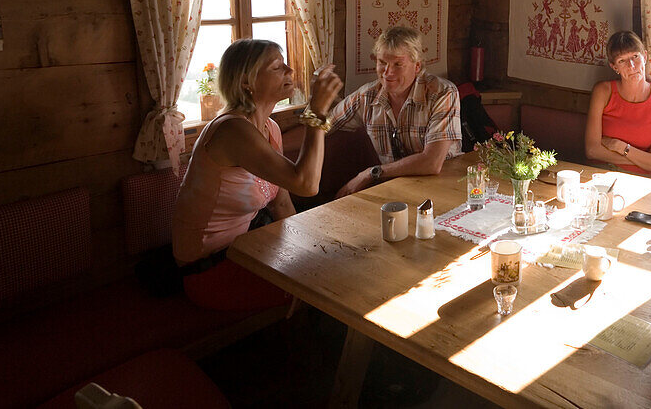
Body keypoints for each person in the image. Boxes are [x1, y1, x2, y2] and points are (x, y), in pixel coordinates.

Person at [172, 39, 342, 310]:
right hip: (209, 269)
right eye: (277, 66)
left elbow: (282, 203)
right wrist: (317, 111)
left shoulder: (269, 128)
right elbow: (307, 184)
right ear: (245, 83)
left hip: (247, 249)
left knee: (331, 262)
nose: (289, 70)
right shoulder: (232, 131)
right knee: (326, 288)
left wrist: (307, 250)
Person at [328, 26, 462, 197]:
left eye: (398, 64)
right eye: (382, 63)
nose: (388, 72)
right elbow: (323, 124)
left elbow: (432, 162)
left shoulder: (442, 92)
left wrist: (370, 174)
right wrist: (281, 145)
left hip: (443, 188)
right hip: (395, 191)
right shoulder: (367, 96)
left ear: (417, 66)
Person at [585, 31, 651, 179]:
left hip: (640, 180)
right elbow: (592, 151)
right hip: (600, 175)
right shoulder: (602, 91)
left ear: (645, 57)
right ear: (614, 67)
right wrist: (649, 157)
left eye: (635, 56)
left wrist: (620, 147)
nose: (631, 66)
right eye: (622, 61)